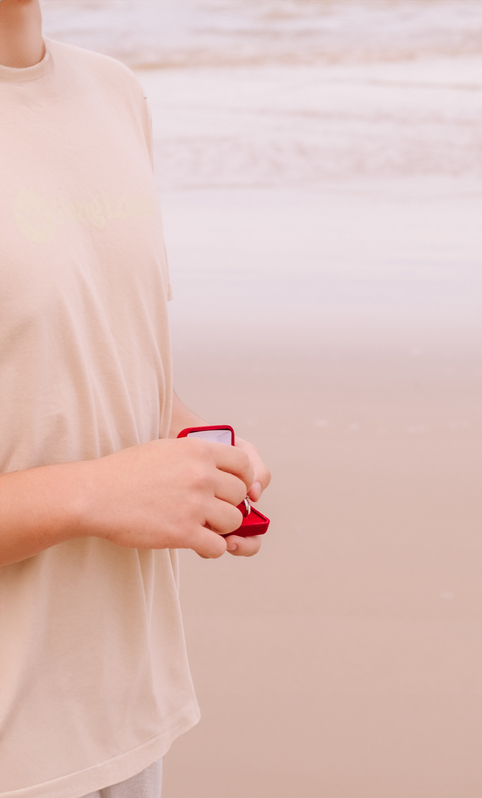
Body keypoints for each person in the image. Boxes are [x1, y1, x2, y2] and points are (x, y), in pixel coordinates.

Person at [0, 1, 272, 796]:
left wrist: (192, 448)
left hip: (124, 723)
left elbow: (99, 357)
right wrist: (96, 494)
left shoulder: (113, 93)